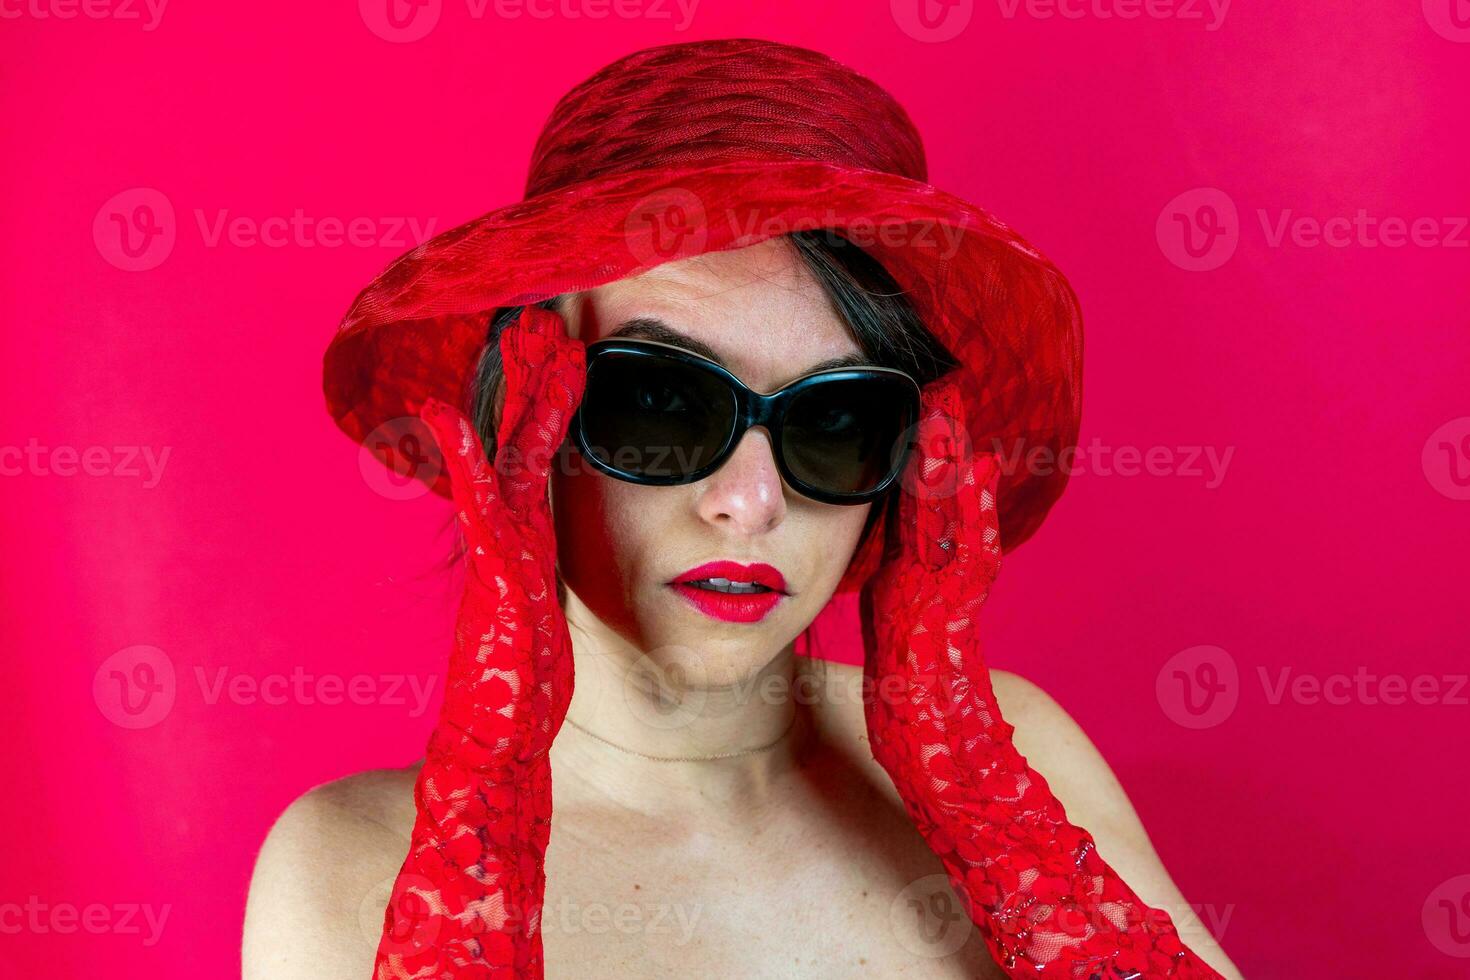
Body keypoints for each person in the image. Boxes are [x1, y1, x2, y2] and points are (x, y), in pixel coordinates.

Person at [243, 39, 1243, 979]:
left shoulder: (1022, 754)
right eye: (662, 402)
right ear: (526, 421)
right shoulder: (351, 861)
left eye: (839, 416)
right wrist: (488, 788)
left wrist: (969, 775)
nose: (751, 501)